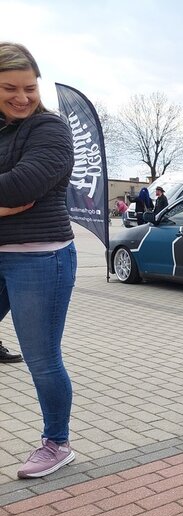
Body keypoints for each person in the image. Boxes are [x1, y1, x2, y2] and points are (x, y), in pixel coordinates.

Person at [0, 42, 77, 478]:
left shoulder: (50, 128)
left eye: (29, 87)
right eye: (10, 88)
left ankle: (57, 443)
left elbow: (21, 185)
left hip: (39, 259)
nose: (22, 97)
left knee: (41, 357)